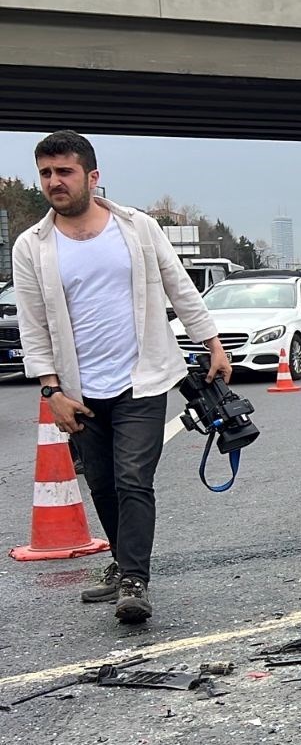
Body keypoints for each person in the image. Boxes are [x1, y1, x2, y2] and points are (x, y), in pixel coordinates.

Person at [12, 130, 232, 624]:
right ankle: (121, 562)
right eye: (46, 173)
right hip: (79, 388)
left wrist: (213, 343)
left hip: (144, 377)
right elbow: (33, 323)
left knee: (134, 478)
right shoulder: (33, 246)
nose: (54, 182)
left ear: (92, 176)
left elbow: (180, 287)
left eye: (64, 172)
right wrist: (51, 391)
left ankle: (135, 579)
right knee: (105, 484)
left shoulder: (136, 227)